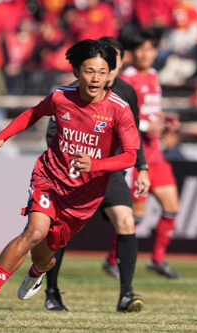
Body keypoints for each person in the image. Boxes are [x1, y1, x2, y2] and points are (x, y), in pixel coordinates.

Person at [0, 39, 141, 313]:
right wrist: (0, 139)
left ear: (110, 74)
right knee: (34, 231)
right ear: (76, 72)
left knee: (44, 256)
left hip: (83, 197)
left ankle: (37, 272)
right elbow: (33, 114)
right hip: (49, 178)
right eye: (88, 71)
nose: (95, 78)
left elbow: (131, 155)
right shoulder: (61, 97)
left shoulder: (119, 110)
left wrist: (95, 165)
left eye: (101, 71)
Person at [43, 37, 151, 312]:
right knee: (60, 233)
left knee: (126, 222)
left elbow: (133, 137)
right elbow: (54, 132)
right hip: (74, 173)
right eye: (96, 67)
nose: (103, 72)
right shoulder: (69, 94)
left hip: (109, 172)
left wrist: (141, 168)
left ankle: (126, 294)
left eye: (109, 66)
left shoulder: (126, 93)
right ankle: (51, 292)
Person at [119, 29, 182, 279]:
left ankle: (157, 260)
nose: (146, 54)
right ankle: (114, 259)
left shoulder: (154, 75)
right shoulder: (127, 78)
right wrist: (146, 126)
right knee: (137, 216)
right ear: (132, 53)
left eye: (150, 49)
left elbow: (147, 110)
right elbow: (122, 114)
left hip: (156, 153)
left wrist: (164, 118)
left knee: (172, 207)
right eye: (141, 49)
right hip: (137, 156)